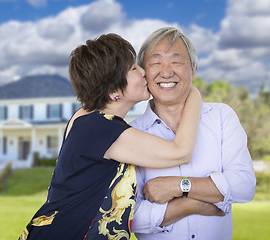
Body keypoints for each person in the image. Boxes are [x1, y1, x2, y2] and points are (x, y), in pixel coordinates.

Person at [19, 33, 202, 240]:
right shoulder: (102, 129)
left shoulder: (85, 118)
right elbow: (181, 152)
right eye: (134, 68)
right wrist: (193, 92)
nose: (143, 72)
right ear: (114, 87)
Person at [130, 27, 256, 240]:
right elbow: (131, 217)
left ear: (193, 70)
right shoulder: (132, 134)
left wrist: (178, 186)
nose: (166, 71)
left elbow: (244, 185)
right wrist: (191, 204)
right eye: (155, 62)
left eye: (176, 61)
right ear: (143, 73)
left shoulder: (221, 117)